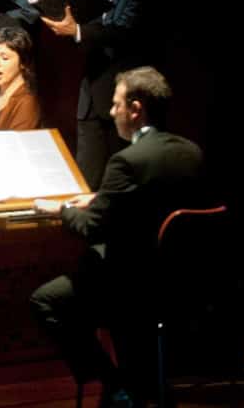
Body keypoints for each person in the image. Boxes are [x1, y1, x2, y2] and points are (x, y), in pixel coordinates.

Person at [30, 67, 208, 406]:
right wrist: (100, 198)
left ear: (135, 109)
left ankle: (115, 384)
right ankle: (129, 384)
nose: (111, 113)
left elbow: (90, 228)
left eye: (116, 105)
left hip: (129, 286)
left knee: (45, 300)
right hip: (183, 283)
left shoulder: (126, 161)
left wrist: (60, 210)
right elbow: (151, 201)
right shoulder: (190, 152)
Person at [41, 0, 159, 189]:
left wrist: (79, 30)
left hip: (129, 97)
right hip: (92, 96)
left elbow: (127, 31)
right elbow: (90, 31)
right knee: (86, 184)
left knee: (124, 187)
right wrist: (70, 27)